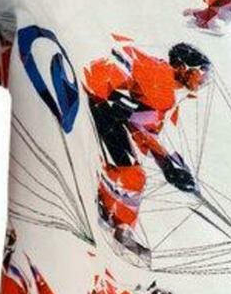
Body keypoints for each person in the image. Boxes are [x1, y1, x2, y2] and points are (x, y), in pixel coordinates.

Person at [84, 38, 211, 248]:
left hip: (107, 111)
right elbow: (108, 67)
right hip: (99, 104)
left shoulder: (166, 96)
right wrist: (116, 100)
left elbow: (143, 131)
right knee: (131, 173)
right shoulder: (155, 69)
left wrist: (168, 164)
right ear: (183, 66)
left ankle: (117, 222)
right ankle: (118, 224)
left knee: (134, 176)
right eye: (201, 71)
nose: (204, 79)